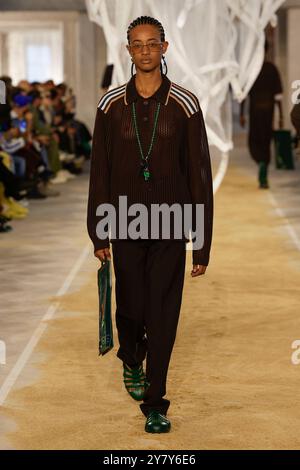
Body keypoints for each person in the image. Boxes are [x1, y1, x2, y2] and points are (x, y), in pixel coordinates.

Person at [87, 16, 213, 433]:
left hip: (171, 225)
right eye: (136, 44)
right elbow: (100, 171)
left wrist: (203, 242)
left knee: (163, 313)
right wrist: (98, 229)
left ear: (165, 47)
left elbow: (199, 174)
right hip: (123, 222)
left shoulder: (186, 104)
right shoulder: (110, 105)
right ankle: (130, 355)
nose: (144, 50)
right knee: (131, 308)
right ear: (128, 51)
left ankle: (156, 401)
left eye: (151, 43)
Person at [240, 40, 283, 189]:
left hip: (256, 111)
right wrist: (281, 116)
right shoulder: (272, 69)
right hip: (268, 111)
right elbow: (278, 96)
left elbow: (243, 95)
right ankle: (264, 168)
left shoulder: (252, 70)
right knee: (265, 140)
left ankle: (262, 167)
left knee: (254, 141)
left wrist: (242, 114)